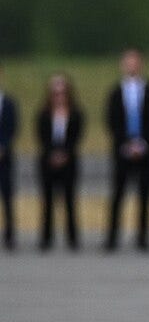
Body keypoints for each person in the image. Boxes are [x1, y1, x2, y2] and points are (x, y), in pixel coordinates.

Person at [104, 48, 149, 251]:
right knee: (118, 194)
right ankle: (112, 237)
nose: (132, 65)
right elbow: (112, 121)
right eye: (128, 61)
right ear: (122, 65)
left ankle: (143, 237)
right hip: (123, 149)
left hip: (146, 149)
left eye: (135, 61)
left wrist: (143, 143)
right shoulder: (115, 92)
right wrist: (126, 144)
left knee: (145, 195)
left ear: (141, 64)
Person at [36, 74, 84, 251]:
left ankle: (72, 238)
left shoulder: (76, 114)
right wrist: (52, 154)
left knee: (70, 200)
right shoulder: (43, 114)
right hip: (47, 161)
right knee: (47, 200)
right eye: (55, 92)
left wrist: (65, 154)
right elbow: (41, 137)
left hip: (69, 160)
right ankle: (46, 237)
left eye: (62, 92)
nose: (59, 96)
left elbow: (76, 137)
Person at [0, 62, 18, 250]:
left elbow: (13, 127)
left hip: (4, 158)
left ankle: (10, 235)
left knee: (7, 197)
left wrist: (3, 147)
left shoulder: (9, 103)